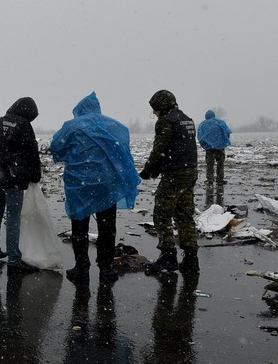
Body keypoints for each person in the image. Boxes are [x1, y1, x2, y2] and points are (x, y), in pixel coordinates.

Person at [50, 92, 141, 284]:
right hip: (106, 185)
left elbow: (57, 148)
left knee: (79, 227)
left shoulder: (72, 126)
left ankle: (82, 268)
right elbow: (123, 148)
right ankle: (106, 268)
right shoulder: (114, 126)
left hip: (80, 185)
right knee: (107, 226)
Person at [139, 90, 199, 275]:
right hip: (190, 171)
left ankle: (168, 257)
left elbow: (160, 149)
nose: (155, 114)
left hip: (175, 173)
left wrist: (148, 171)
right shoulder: (186, 118)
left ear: (162, 106)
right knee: (184, 214)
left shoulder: (166, 121)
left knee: (162, 214)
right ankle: (191, 259)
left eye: (155, 110)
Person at [0, 97, 41, 273]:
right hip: (14, 178)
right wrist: (35, 175)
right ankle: (14, 259)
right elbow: (31, 153)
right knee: (13, 217)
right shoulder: (23, 125)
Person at [197, 109, 232, 204]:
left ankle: (210, 180)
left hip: (209, 149)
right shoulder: (220, 122)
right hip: (220, 148)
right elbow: (228, 132)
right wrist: (223, 142)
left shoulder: (203, 124)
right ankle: (220, 180)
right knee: (220, 164)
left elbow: (200, 137)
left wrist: (205, 145)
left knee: (210, 165)